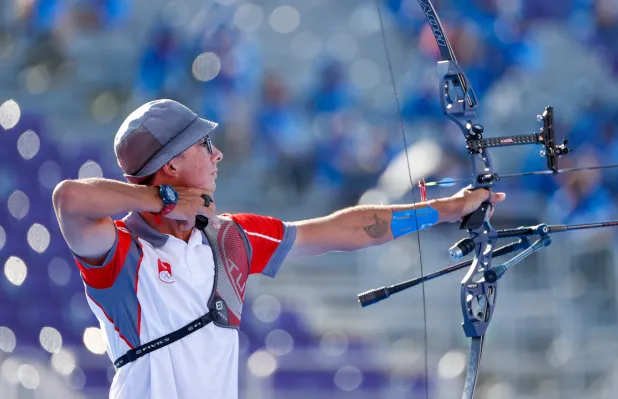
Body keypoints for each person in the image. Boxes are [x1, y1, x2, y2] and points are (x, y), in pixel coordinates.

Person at [51, 99, 506, 398]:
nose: (218, 154)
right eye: (205, 145)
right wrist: (166, 200)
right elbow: (68, 198)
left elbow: (343, 231)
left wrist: (443, 210)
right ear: (171, 163)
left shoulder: (229, 238)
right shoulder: (121, 251)